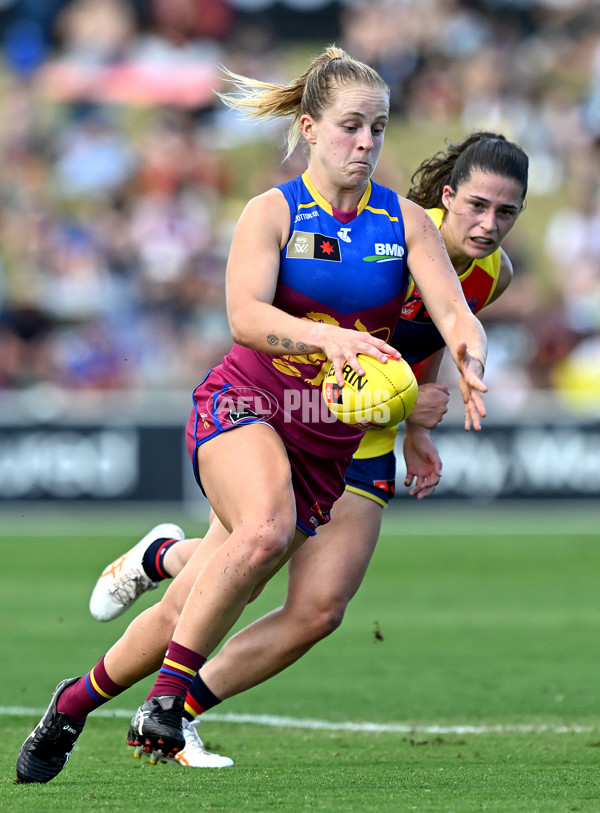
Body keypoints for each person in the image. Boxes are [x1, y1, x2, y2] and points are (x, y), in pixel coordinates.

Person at [16, 45, 489, 784]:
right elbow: (245, 317)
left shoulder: (404, 223)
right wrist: (328, 338)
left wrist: (469, 356)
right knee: (266, 528)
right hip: (246, 402)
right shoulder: (272, 211)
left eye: (378, 128)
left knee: (193, 601)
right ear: (309, 127)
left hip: (324, 443)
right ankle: (167, 704)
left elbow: (456, 313)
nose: (365, 142)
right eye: (351, 126)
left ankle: (70, 704)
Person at [83, 130, 528, 769]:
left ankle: (178, 706)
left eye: (506, 212)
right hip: (296, 420)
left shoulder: (494, 275)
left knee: (319, 611)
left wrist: (418, 430)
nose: (489, 224)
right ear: (449, 197)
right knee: (239, 572)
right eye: (478, 206)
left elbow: (430, 340)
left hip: (368, 437)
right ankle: (157, 595)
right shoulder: (398, 234)